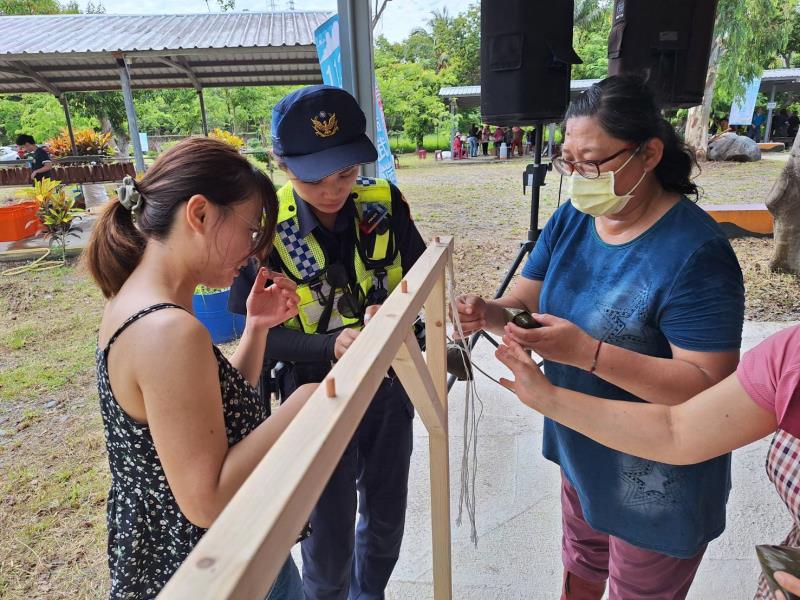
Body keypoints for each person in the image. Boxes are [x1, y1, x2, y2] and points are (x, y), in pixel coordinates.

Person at [455, 75, 745, 600]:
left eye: (591, 163)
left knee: (639, 589)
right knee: (583, 566)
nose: (578, 178)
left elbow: (708, 388)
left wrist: (587, 354)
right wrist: (488, 314)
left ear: (649, 154)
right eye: (568, 161)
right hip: (582, 444)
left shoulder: (695, 254)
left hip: (657, 479)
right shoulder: (573, 218)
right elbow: (525, 302)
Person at [84, 137, 310, 599]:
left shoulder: (139, 301)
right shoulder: (168, 330)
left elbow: (207, 420)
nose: (253, 251)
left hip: (176, 556)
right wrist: (306, 403)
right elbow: (206, 501)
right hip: (218, 566)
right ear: (200, 214)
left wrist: (256, 329)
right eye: (251, 230)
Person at [229, 85, 427, 600]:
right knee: (328, 533)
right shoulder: (266, 232)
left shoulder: (384, 205)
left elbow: (421, 280)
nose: (332, 190)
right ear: (281, 164)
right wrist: (328, 348)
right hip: (313, 396)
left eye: (345, 173)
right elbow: (257, 337)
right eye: (313, 178)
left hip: (388, 386)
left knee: (386, 517)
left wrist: (396, 313)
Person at [496, 321, 800, 600]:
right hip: (590, 464)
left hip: (659, 502)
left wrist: (587, 354)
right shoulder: (790, 354)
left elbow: (700, 385)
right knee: (584, 555)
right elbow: (677, 429)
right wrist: (547, 397)